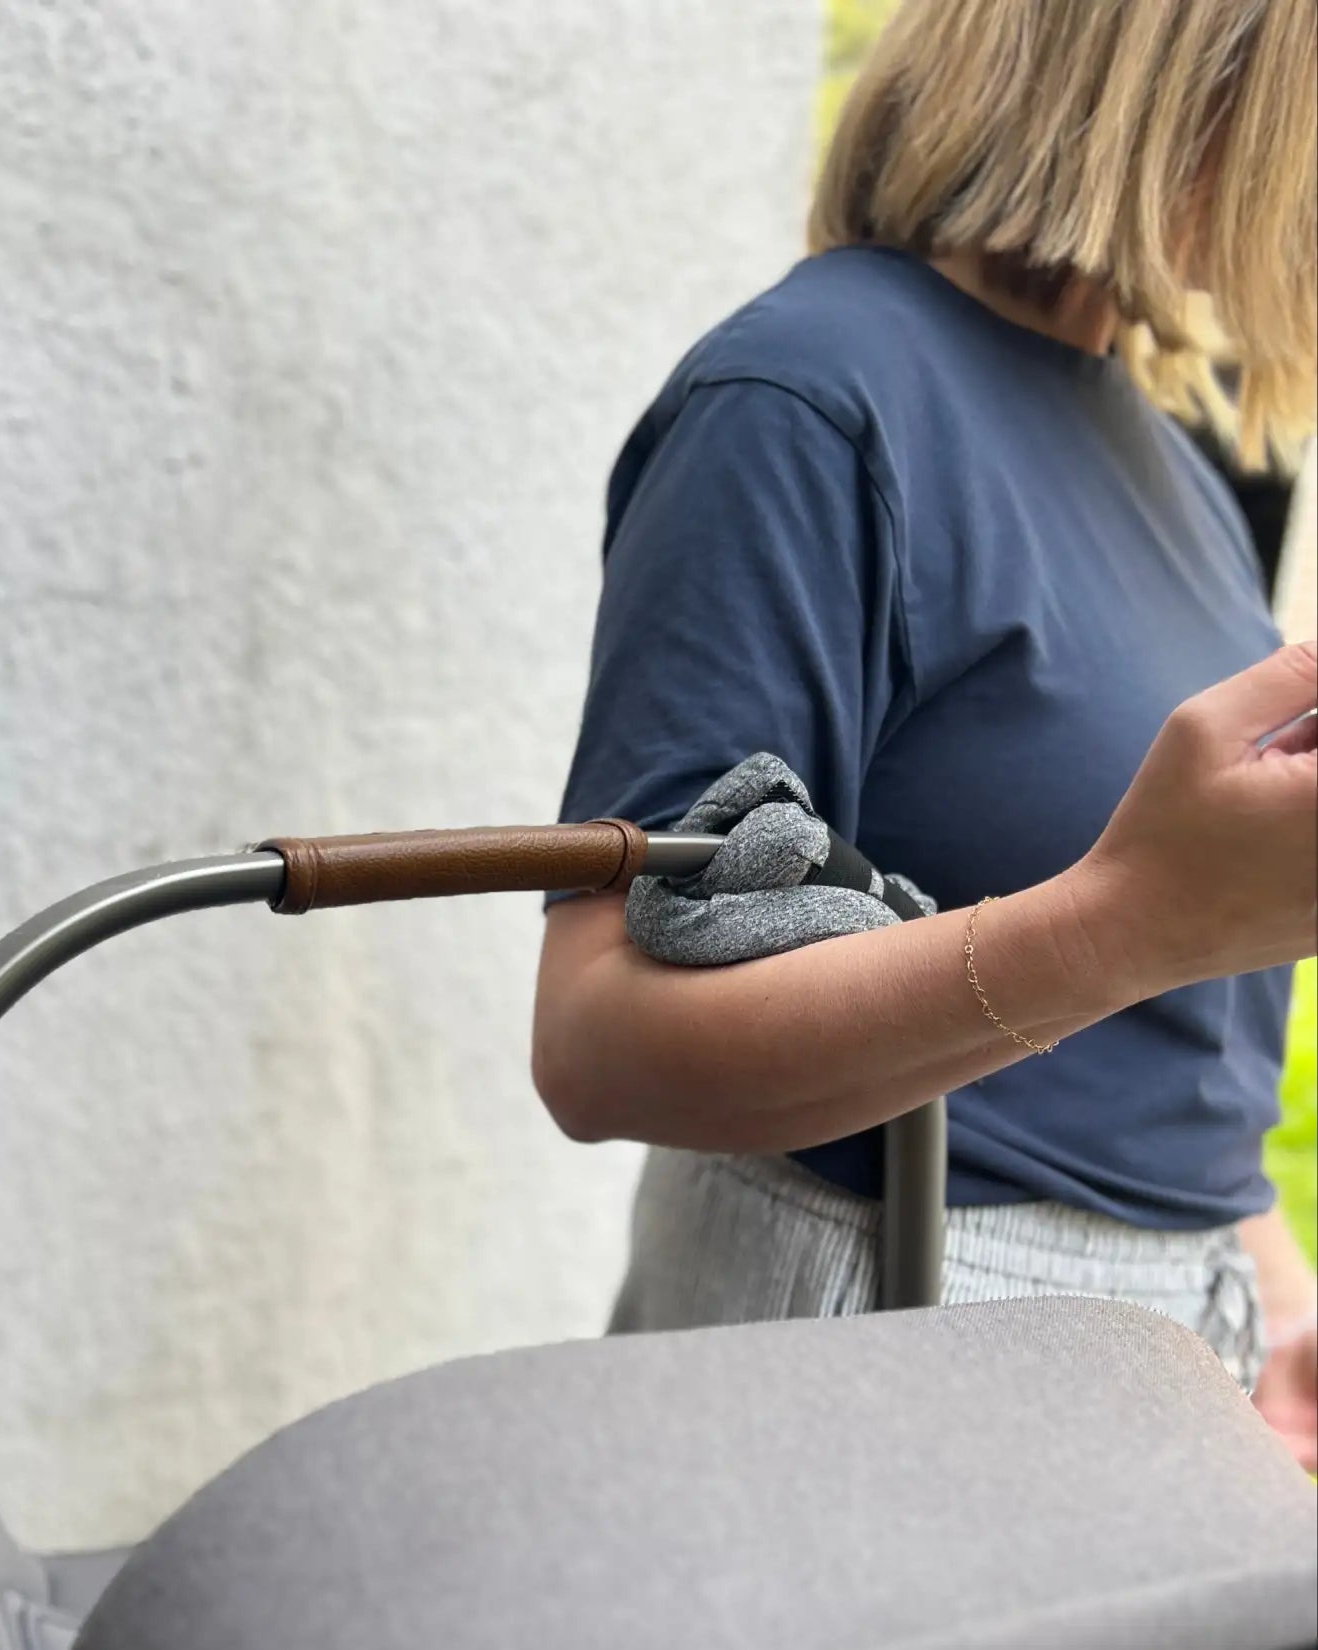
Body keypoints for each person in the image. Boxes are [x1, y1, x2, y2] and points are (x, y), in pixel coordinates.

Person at [533, 0, 1318, 1466]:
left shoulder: (1170, 455)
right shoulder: (808, 398)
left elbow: (1158, 1037)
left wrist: (1265, 1295)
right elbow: (597, 1044)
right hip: (886, 1328)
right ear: (1197, 72)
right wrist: (1132, 920)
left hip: (1154, 1350)